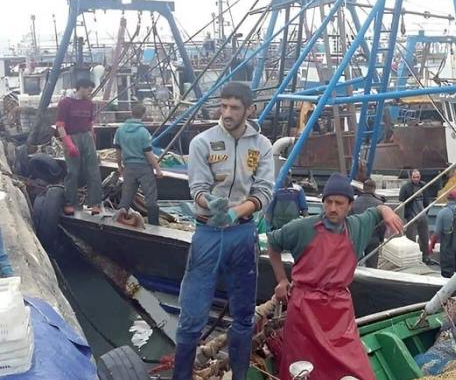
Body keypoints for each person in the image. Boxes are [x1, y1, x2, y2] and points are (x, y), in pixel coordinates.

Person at [173, 82, 274, 380]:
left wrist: (236, 211)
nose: (227, 113)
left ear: (249, 110)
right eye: (224, 106)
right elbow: (198, 188)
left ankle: (239, 375)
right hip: (207, 234)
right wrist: (210, 203)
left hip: (242, 235)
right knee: (191, 318)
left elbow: (265, 190)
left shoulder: (262, 146)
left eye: (235, 108)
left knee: (243, 315)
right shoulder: (202, 142)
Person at [267, 173, 403, 380]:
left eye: (339, 203)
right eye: (328, 202)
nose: (332, 208)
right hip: (304, 310)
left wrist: (387, 212)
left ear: (350, 206)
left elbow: (376, 210)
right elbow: (272, 243)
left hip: (339, 311)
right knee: (301, 369)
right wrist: (282, 280)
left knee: (358, 370)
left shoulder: (357, 226)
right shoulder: (302, 228)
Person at [56, 77, 103, 215]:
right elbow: (60, 126)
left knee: (93, 171)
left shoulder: (89, 103)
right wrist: (68, 143)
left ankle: (95, 203)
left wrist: (92, 134)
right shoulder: (65, 103)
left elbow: (90, 122)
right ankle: (70, 203)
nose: (90, 92)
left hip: (87, 136)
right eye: (89, 89)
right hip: (71, 137)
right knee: (73, 172)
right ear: (81, 87)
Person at [113, 102, 163, 225]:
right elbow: (148, 153)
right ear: (143, 115)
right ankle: (154, 226)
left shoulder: (120, 130)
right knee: (150, 198)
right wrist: (157, 168)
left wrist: (119, 165)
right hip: (144, 168)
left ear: (131, 113)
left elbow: (118, 150)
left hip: (129, 167)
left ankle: (119, 221)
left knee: (126, 197)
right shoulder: (143, 132)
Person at [350, 178, 386, 268]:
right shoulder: (379, 204)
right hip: (373, 239)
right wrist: (381, 238)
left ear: (363, 188)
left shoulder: (353, 203)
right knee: (372, 268)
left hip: (357, 239)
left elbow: (349, 222)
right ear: (374, 189)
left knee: (355, 267)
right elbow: (382, 225)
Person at [399, 169, 431, 263]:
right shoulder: (406, 187)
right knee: (411, 239)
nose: (416, 179)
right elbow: (401, 200)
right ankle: (411, 258)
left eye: (418, 177)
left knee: (425, 238)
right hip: (411, 216)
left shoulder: (423, 186)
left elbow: (427, 201)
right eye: (414, 177)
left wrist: (425, 211)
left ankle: (425, 256)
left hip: (422, 215)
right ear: (410, 177)